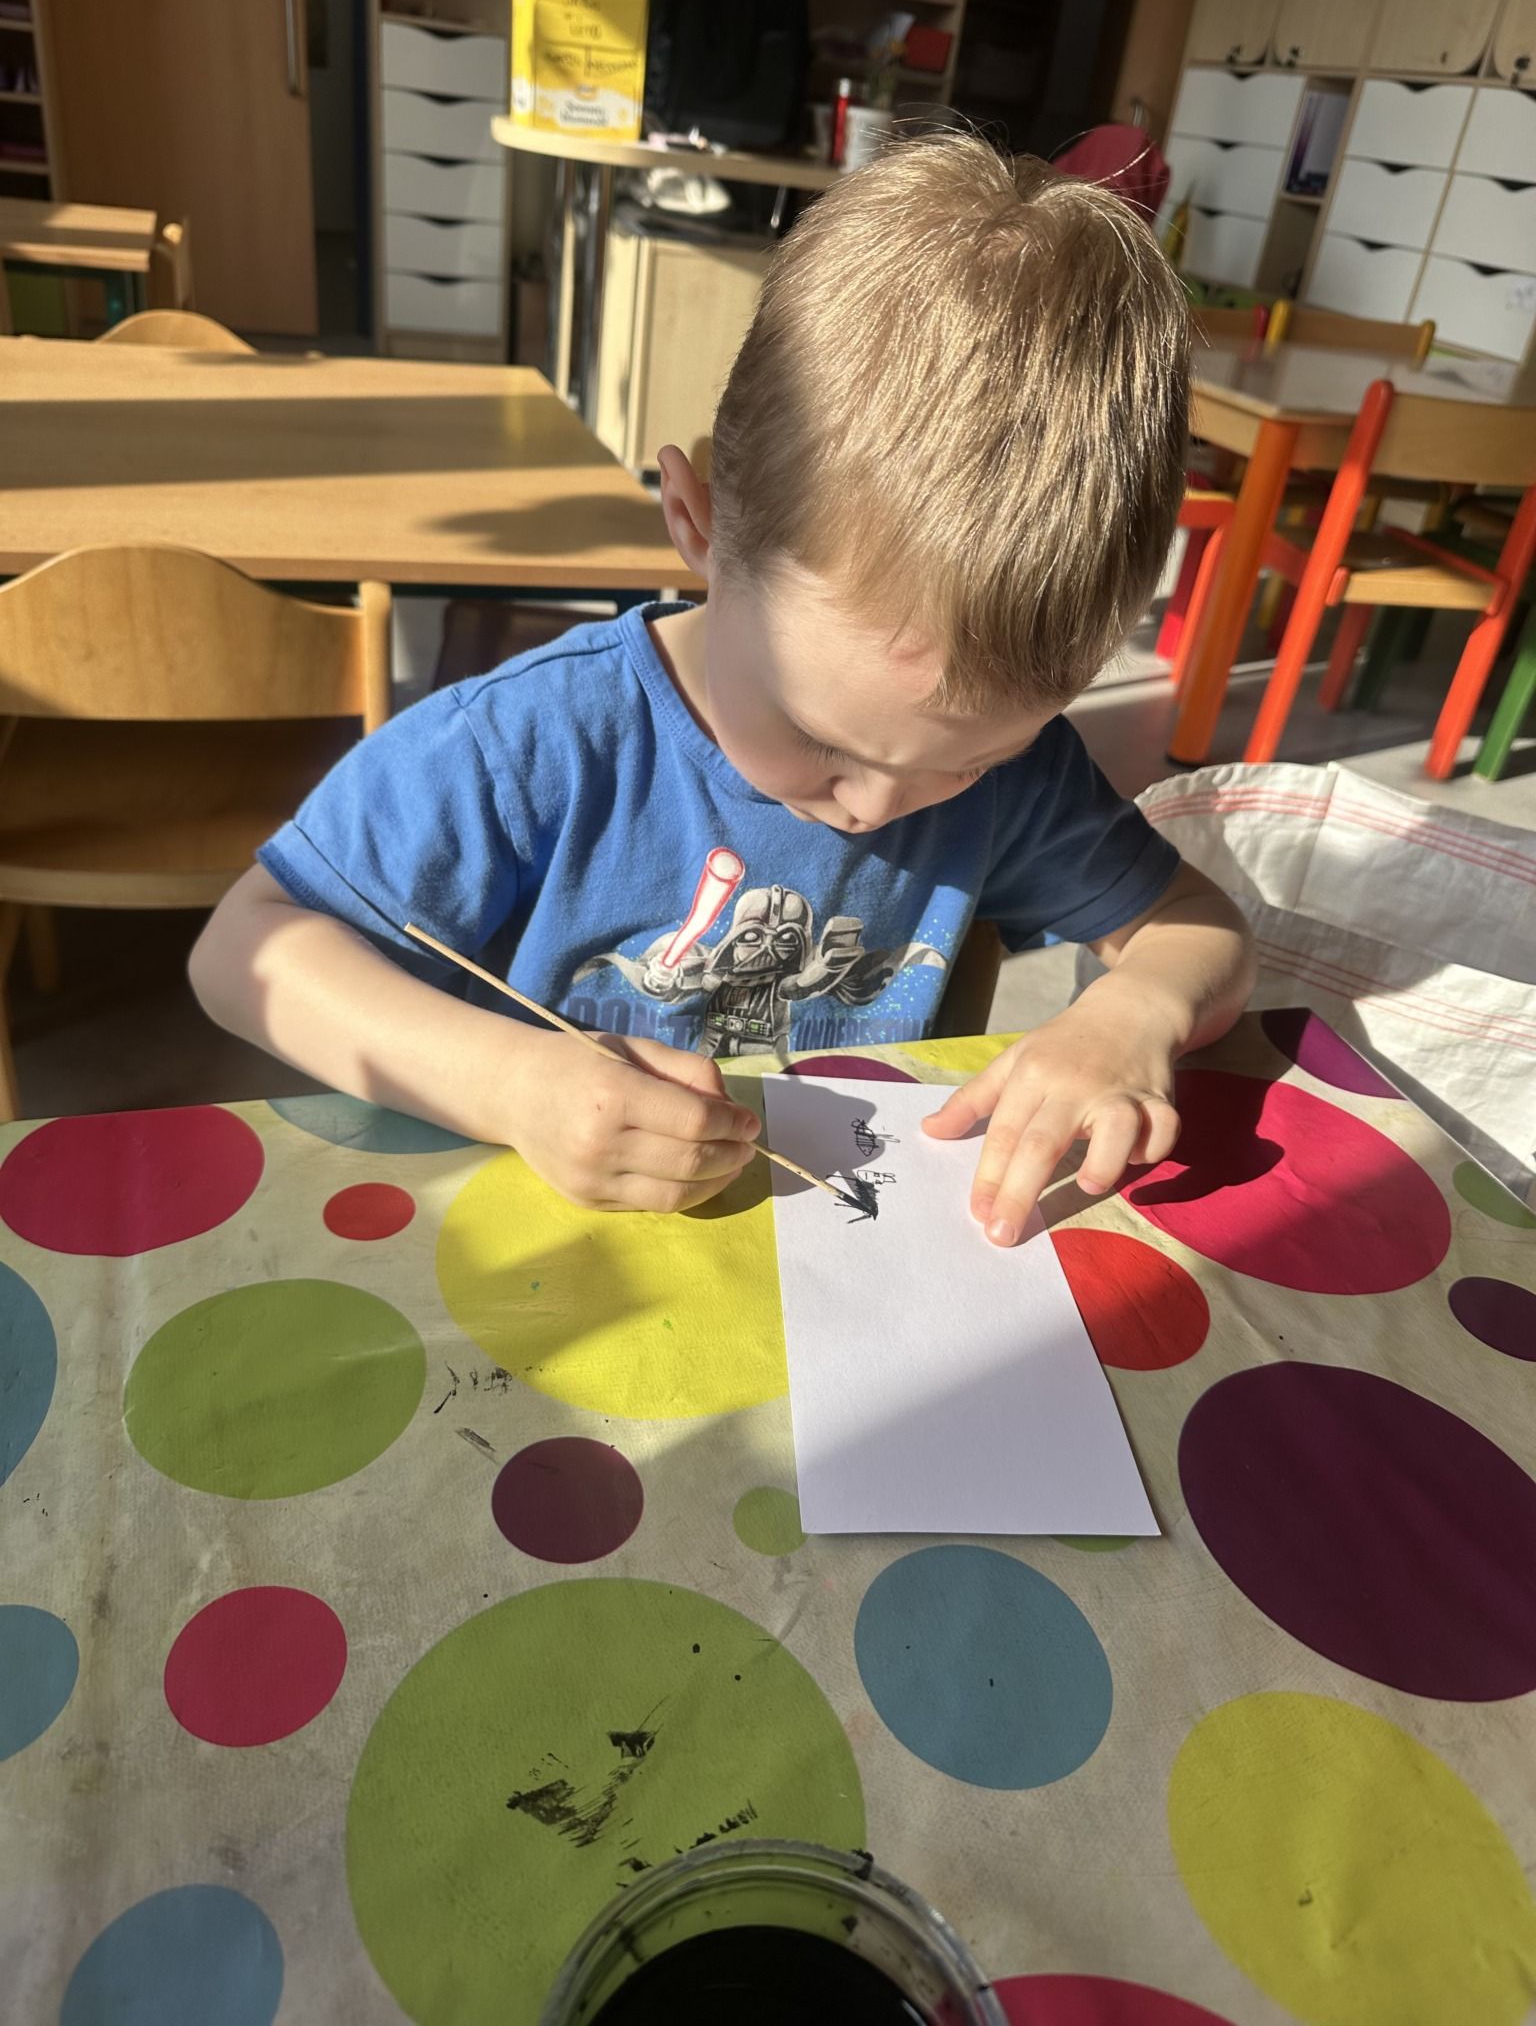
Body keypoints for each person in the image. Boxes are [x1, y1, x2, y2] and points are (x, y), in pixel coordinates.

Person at [190, 135, 1254, 1248]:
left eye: (970, 761)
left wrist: (1134, 1011)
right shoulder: (535, 744)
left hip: (845, 1265)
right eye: (818, 735)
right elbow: (244, 952)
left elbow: (1201, 929)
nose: (875, 808)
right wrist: (512, 1084)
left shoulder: (1017, 781)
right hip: (543, 1266)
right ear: (698, 525)